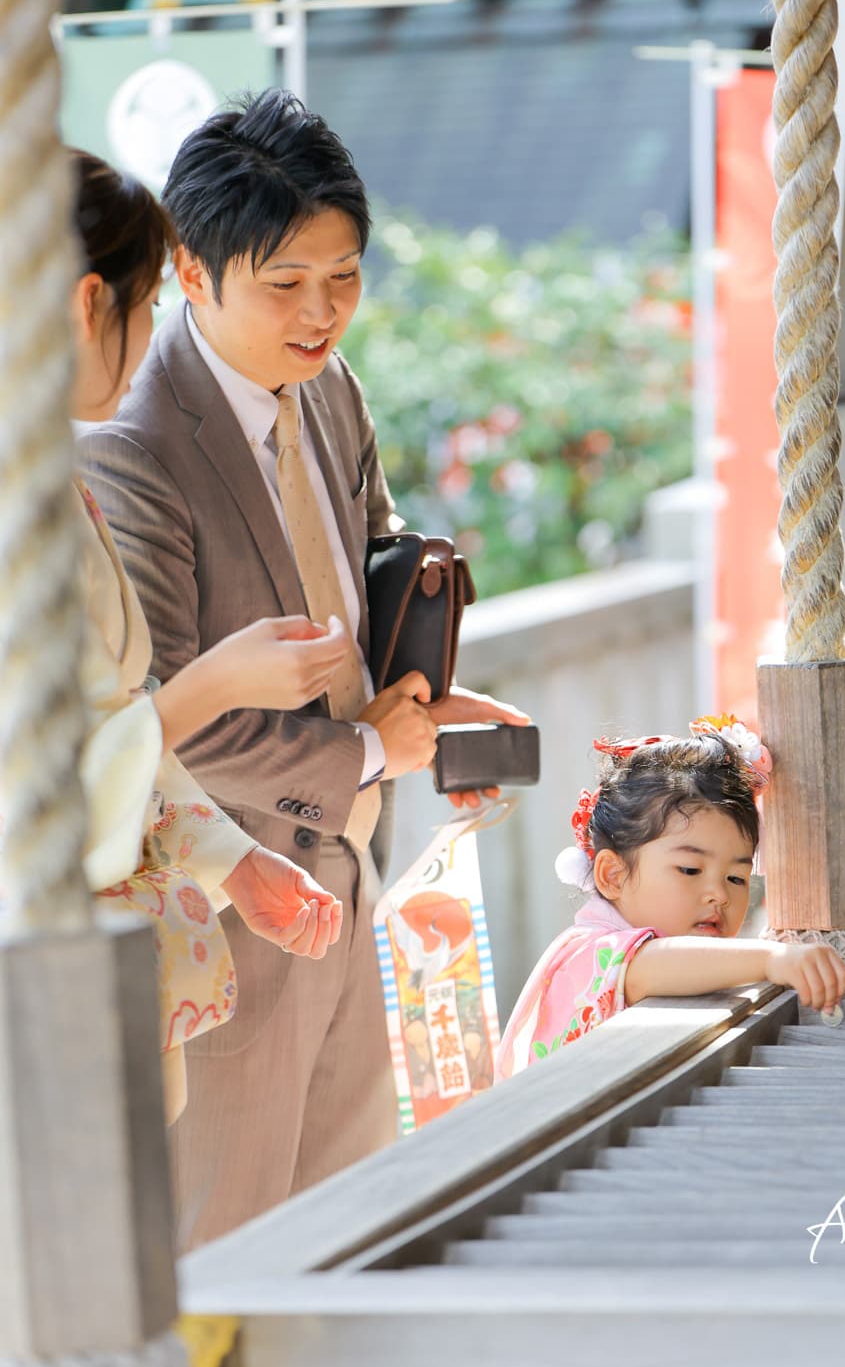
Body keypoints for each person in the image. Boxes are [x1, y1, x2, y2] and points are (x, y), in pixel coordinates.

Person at [77, 90, 529, 1247]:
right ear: (192, 271)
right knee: (222, 1244)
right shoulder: (129, 440)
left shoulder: (330, 388)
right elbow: (168, 715)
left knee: (351, 1228)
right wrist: (372, 749)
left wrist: (424, 692)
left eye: (345, 275)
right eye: (285, 283)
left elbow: (369, 562)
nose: (322, 312)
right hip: (223, 907)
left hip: (350, 872)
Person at [55, 148, 351, 1125]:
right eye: (145, 307)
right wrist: (216, 685)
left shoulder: (50, 481)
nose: (147, 339)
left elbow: (107, 724)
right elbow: (43, 783)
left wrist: (230, 859)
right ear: (88, 303)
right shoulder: (76, 475)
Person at [495, 717, 845, 1078]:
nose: (719, 895)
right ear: (613, 875)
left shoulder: (688, 964)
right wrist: (772, 958)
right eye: (690, 870)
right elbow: (652, 963)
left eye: (736, 878)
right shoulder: (592, 950)